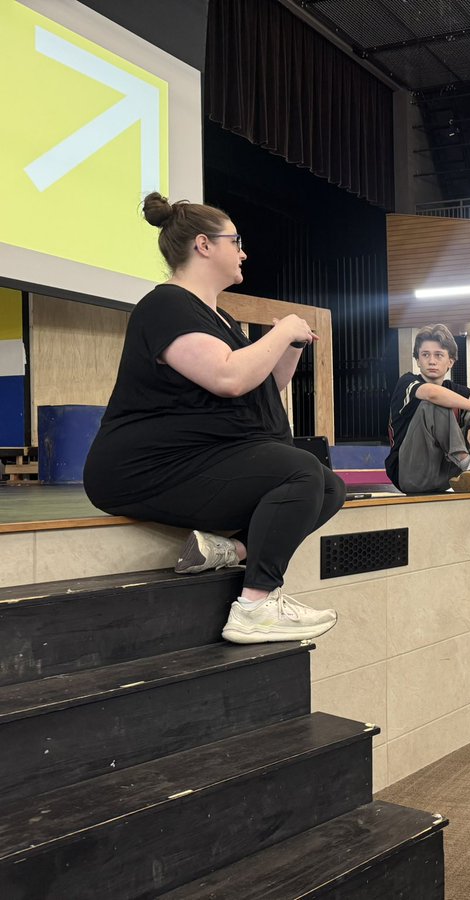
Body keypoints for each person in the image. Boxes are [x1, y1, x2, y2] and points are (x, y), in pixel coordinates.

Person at [83, 193, 343, 644]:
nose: (243, 252)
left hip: (201, 459)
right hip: (146, 468)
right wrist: (281, 329)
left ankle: (230, 549)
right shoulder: (165, 305)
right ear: (203, 245)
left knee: (329, 486)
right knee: (301, 471)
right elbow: (228, 378)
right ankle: (255, 606)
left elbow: (262, 385)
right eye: (235, 241)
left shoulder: (220, 316)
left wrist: (292, 345)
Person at [385, 324, 470, 495]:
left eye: (438, 355)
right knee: (436, 402)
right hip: (410, 474)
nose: (431, 361)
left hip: (445, 473)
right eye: (425, 355)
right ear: (418, 360)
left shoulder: (453, 388)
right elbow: (433, 394)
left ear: (450, 362)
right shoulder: (407, 382)